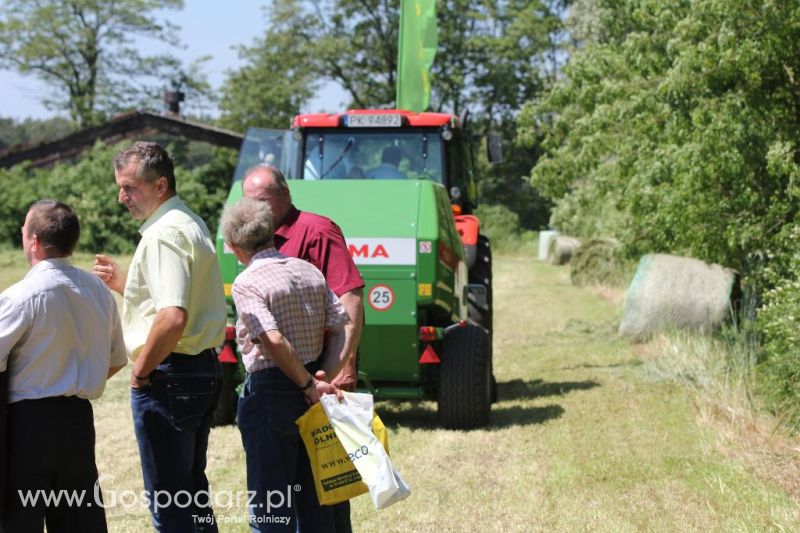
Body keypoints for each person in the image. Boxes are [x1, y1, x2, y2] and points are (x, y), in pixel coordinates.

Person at [93, 141, 226, 532]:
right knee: (190, 491)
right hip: (199, 369)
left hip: (171, 375)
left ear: (160, 185)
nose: (122, 197)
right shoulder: (188, 221)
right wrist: (127, 285)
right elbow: (179, 303)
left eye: (130, 187)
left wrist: (141, 372)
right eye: (121, 187)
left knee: (170, 503)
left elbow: (172, 317)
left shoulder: (162, 235)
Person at [242, 165, 364, 533]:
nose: (255, 208)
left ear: (285, 195)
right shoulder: (259, 239)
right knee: (297, 488)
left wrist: (337, 368)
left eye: (262, 200)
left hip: (320, 375)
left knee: (325, 484)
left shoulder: (316, 230)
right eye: (249, 201)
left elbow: (351, 300)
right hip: (287, 381)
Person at [0, 200, 127, 533]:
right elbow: (115, 360)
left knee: (19, 521)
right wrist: (75, 379)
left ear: (34, 241)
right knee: (78, 521)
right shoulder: (98, 291)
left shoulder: (21, 296)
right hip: (78, 422)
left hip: (26, 425)